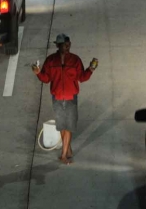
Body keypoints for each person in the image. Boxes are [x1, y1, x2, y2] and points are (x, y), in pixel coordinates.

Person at [32, 34, 98, 165]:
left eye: (68, 44)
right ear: (57, 45)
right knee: (62, 126)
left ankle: (64, 154)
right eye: (63, 45)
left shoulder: (75, 60)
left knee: (68, 127)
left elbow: (82, 77)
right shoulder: (51, 61)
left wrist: (91, 69)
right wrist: (38, 73)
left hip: (71, 98)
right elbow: (46, 79)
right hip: (57, 98)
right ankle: (68, 149)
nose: (67, 47)